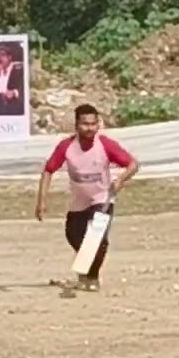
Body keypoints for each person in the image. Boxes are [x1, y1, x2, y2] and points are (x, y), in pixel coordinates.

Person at [35, 103, 139, 292]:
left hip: (102, 198)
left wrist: (120, 179)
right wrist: (41, 202)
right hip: (79, 201)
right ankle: (84, 273)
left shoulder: (105, 144)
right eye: (85, 124)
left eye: (93, 124)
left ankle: (92, 278)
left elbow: (132, 164)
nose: (89, 128)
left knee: (95, 238)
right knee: (73, 235)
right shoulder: (66, 146)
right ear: (76, 125)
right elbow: (48, 170)